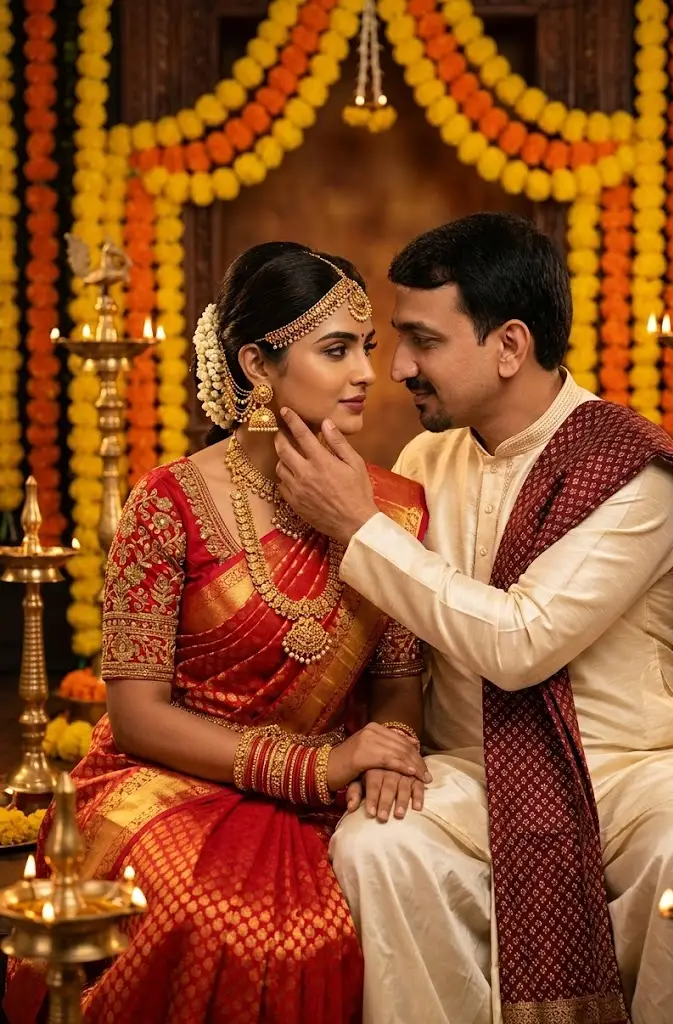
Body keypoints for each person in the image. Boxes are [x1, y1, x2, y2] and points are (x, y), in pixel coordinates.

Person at [272, 213, 673, 1024]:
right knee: (377, 845)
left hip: (626, 775)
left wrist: (358, 527)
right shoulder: (428, 459)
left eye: (422, 340)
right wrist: (392, 742)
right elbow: (399, 639)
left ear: (510, 345)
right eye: (396, 339)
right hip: (475, 770)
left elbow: (519, 642)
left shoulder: (635, 475)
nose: (399, 367)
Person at [3, 242, 431, 1024]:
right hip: (174, 781)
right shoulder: (167, 504)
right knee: (220, 921)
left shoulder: (396, 507)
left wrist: (391, 752)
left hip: (336, 785)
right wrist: (314, 766)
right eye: (334, 350)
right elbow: (136, 716)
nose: (366, 372)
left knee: (391, 892)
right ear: (257, 367)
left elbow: (396, 681)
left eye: (364, 348)